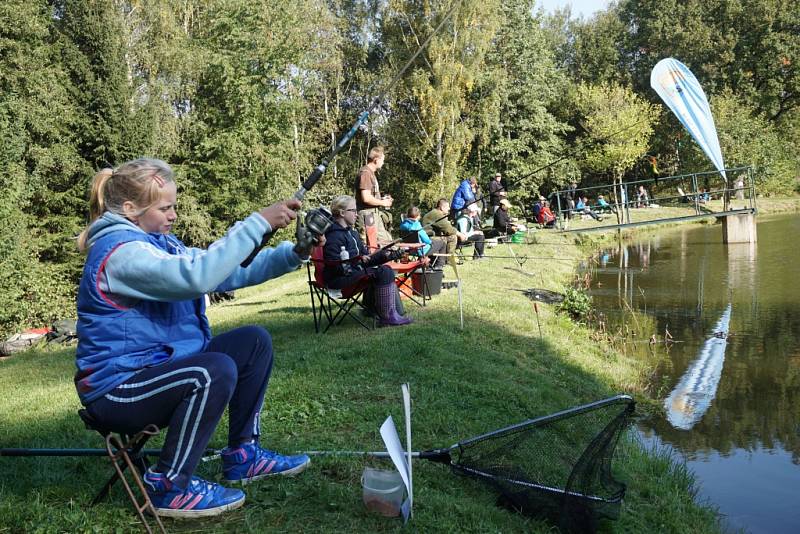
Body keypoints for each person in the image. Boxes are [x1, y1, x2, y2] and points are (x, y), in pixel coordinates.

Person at [75, 158, 311, 519]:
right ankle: (168, 486)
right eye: (165, 207)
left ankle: (243, 455)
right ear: (129, 209)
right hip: (117, 389)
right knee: (211, 370)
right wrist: (257, 223)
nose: (173, 215)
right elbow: (196, 278)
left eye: (174, 206)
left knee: (254, 342)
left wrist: (292, 254)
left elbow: (224, 274)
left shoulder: (161, 243)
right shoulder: (120, 254)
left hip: (156, 369)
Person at [323, 195, 411, 327]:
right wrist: (357, 260)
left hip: (354, 272)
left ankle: (388, 313)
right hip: (339, 279)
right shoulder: (333, 236)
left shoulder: (353, 234)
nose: (357, 215)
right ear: (342, 213)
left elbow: (367, 260)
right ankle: (387, 316)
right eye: (353, 211)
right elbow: (335, 266)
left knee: (386, 268)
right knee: (382, 272)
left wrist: (388, 256)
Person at [354, 146, 393, 243]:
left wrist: (382, 199)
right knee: (369, 246)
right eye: (382, 160)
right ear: (376, 160)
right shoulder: (365, 173)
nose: (383, 163)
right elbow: (366, 198)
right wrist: (383, 203)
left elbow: (370, 195)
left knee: (386, 242)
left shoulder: (371, 173)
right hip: (367, 215)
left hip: (373, 214)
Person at [399, 206, 446, 271]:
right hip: (421, 250)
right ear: (418, 216)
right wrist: (430, 241)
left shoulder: (402, 225)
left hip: (409, 250)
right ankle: (439, 266)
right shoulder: (416, 225)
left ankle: (428, 265)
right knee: (442, 243)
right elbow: (427, 240)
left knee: (433, 243)